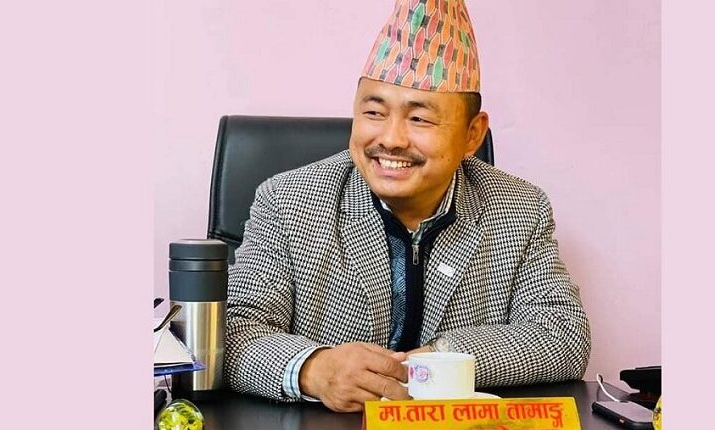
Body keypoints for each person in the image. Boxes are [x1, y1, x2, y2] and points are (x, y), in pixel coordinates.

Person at [224, 0, 590, 412]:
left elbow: (563, 335)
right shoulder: (288, 200)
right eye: (373, 112)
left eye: (419, 119)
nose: (391, 139)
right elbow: (235, 331)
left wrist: (436, 360)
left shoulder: (520, 208)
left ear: (472, 134)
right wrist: (314, 368)